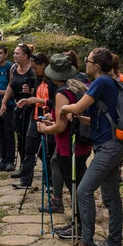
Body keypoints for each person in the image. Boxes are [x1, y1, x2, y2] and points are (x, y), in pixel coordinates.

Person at [58, 47, 123, 246]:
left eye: (87, 61)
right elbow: (101, 117)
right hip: (112, 144)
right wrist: (79, 118)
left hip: (108, 147)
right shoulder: (110, 82)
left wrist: (63, 109)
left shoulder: (101, 81)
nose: (84, 64)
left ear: (96, 66)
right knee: (111, 195)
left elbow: (77, 107)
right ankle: (114, 241)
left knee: (84, 191)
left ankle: (86, 243)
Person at [38, 54, 90, 235]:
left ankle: (80, 227)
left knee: (75, 188)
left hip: (68, 147)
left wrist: (44, 128)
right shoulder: (79, 87)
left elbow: (61, 127)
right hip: (82, 144)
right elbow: (67, 118)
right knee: (79, 187)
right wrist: (53, 116)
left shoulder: (62, 93)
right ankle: (78, 223)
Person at [15, 51, 53, 193]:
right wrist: (28, 100)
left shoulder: (52, 82)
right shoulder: (37, 79)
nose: (34, 70)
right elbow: (35, 96)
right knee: (29, 148)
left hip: (48, 119)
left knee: (47, 152)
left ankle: (50, 182)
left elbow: (55, 101)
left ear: (44, 65)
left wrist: (39, 101)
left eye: (36, 67)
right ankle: (25, 181)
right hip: (35, 117)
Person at [0, 44, 37, 181]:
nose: (14, 56)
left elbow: (39, 91)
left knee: (29, 140)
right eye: (14, 53)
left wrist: (30, 92)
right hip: (18, 108)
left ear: (26, 56)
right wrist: (4, 103)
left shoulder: (33, 70)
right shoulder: (14, 68)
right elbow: (10, 85)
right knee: (20, 138)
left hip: (31, 108)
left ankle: (29, 168)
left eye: (17, 53)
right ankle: (23, 167)